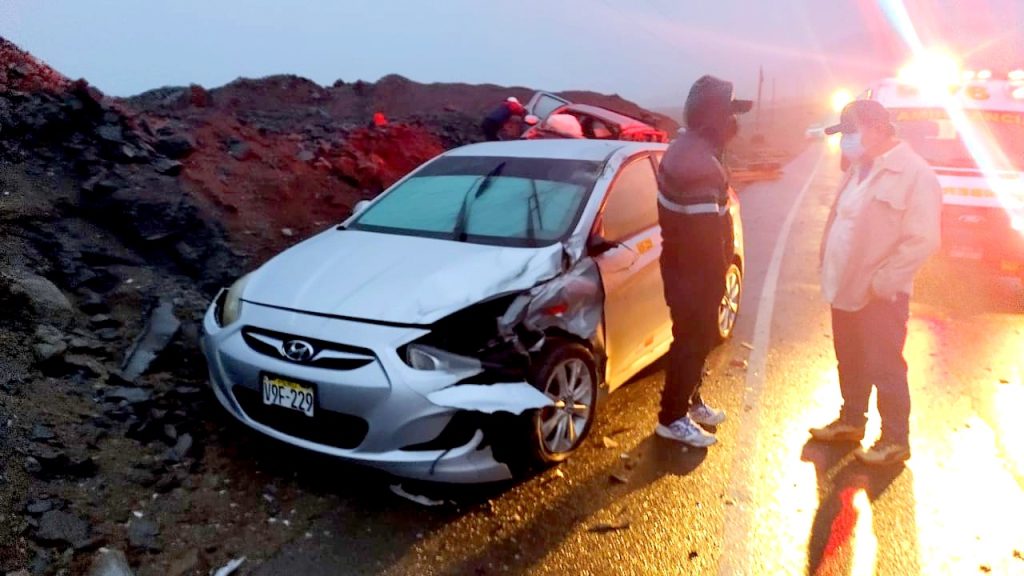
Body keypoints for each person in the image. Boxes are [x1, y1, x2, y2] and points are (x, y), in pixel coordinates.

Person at [809, 99, 941, 465]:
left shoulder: (914, 175)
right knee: (849, 358)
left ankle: (895, 439)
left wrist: (884, 283)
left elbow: (923, 239)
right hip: (844, 287)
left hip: (880, 295)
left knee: (884, 365)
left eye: (851, 132)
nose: (846, 141)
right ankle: (851, 421)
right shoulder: (858, 169)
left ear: (879, 129)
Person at [655, 75, 752, 447]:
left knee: (697, 341)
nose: (736, 123)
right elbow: (703, 237)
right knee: (690, 342)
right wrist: (717, 276)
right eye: (731, 113)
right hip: (693, 274)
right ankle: (672, 417)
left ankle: (689, 402)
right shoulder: (696, 163)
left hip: (691, 271)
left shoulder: (697, 149)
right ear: (714, 116)